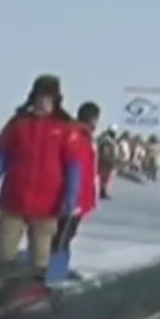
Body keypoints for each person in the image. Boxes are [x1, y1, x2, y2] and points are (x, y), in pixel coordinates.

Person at [0, 74, 81, 281]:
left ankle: (36, 291)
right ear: (33, 98)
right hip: (14, 199)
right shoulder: (18, 124)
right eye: (40, 97)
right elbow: (2, 153)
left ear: (56, 101)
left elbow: (73, 165)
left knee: (40, 256)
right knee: (4, 254)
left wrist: (71, 194)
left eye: (49, 99)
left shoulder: (65, 128)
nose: (44, 103)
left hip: (48, 204)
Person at [52, 102, 99, 254]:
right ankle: (52, 266)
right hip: (73, 194)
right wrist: (73, 196)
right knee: (62, 234)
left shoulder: (85, 136)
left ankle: (57, 263)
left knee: (66, 234)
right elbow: (76, 166)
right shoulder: (77, 135)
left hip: (78, 193)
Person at [97, 129, 118, 199]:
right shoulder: (108, 142)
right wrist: (110, 162)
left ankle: (102, 191)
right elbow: (106, 153)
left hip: (105, 162)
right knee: (104, 178)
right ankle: (102, 192)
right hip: (106, 162)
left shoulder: (105, 140)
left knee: (104, 178)